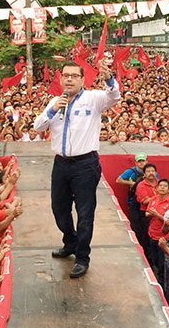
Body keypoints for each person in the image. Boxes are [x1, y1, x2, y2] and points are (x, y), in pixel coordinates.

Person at [33, 61, 120, 278]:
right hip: (61, 164)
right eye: (66, 76)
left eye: (74, 76)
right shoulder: (55, 102)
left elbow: (114, 97)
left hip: (85, 165)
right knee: (59, 209)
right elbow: (37, 127)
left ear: (82, 79)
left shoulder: (94, 99)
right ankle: (70, 242)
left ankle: (82, 257)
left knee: (84, 214)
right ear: (60, 79)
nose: (69, 79)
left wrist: (109, 78)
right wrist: (52, 110)